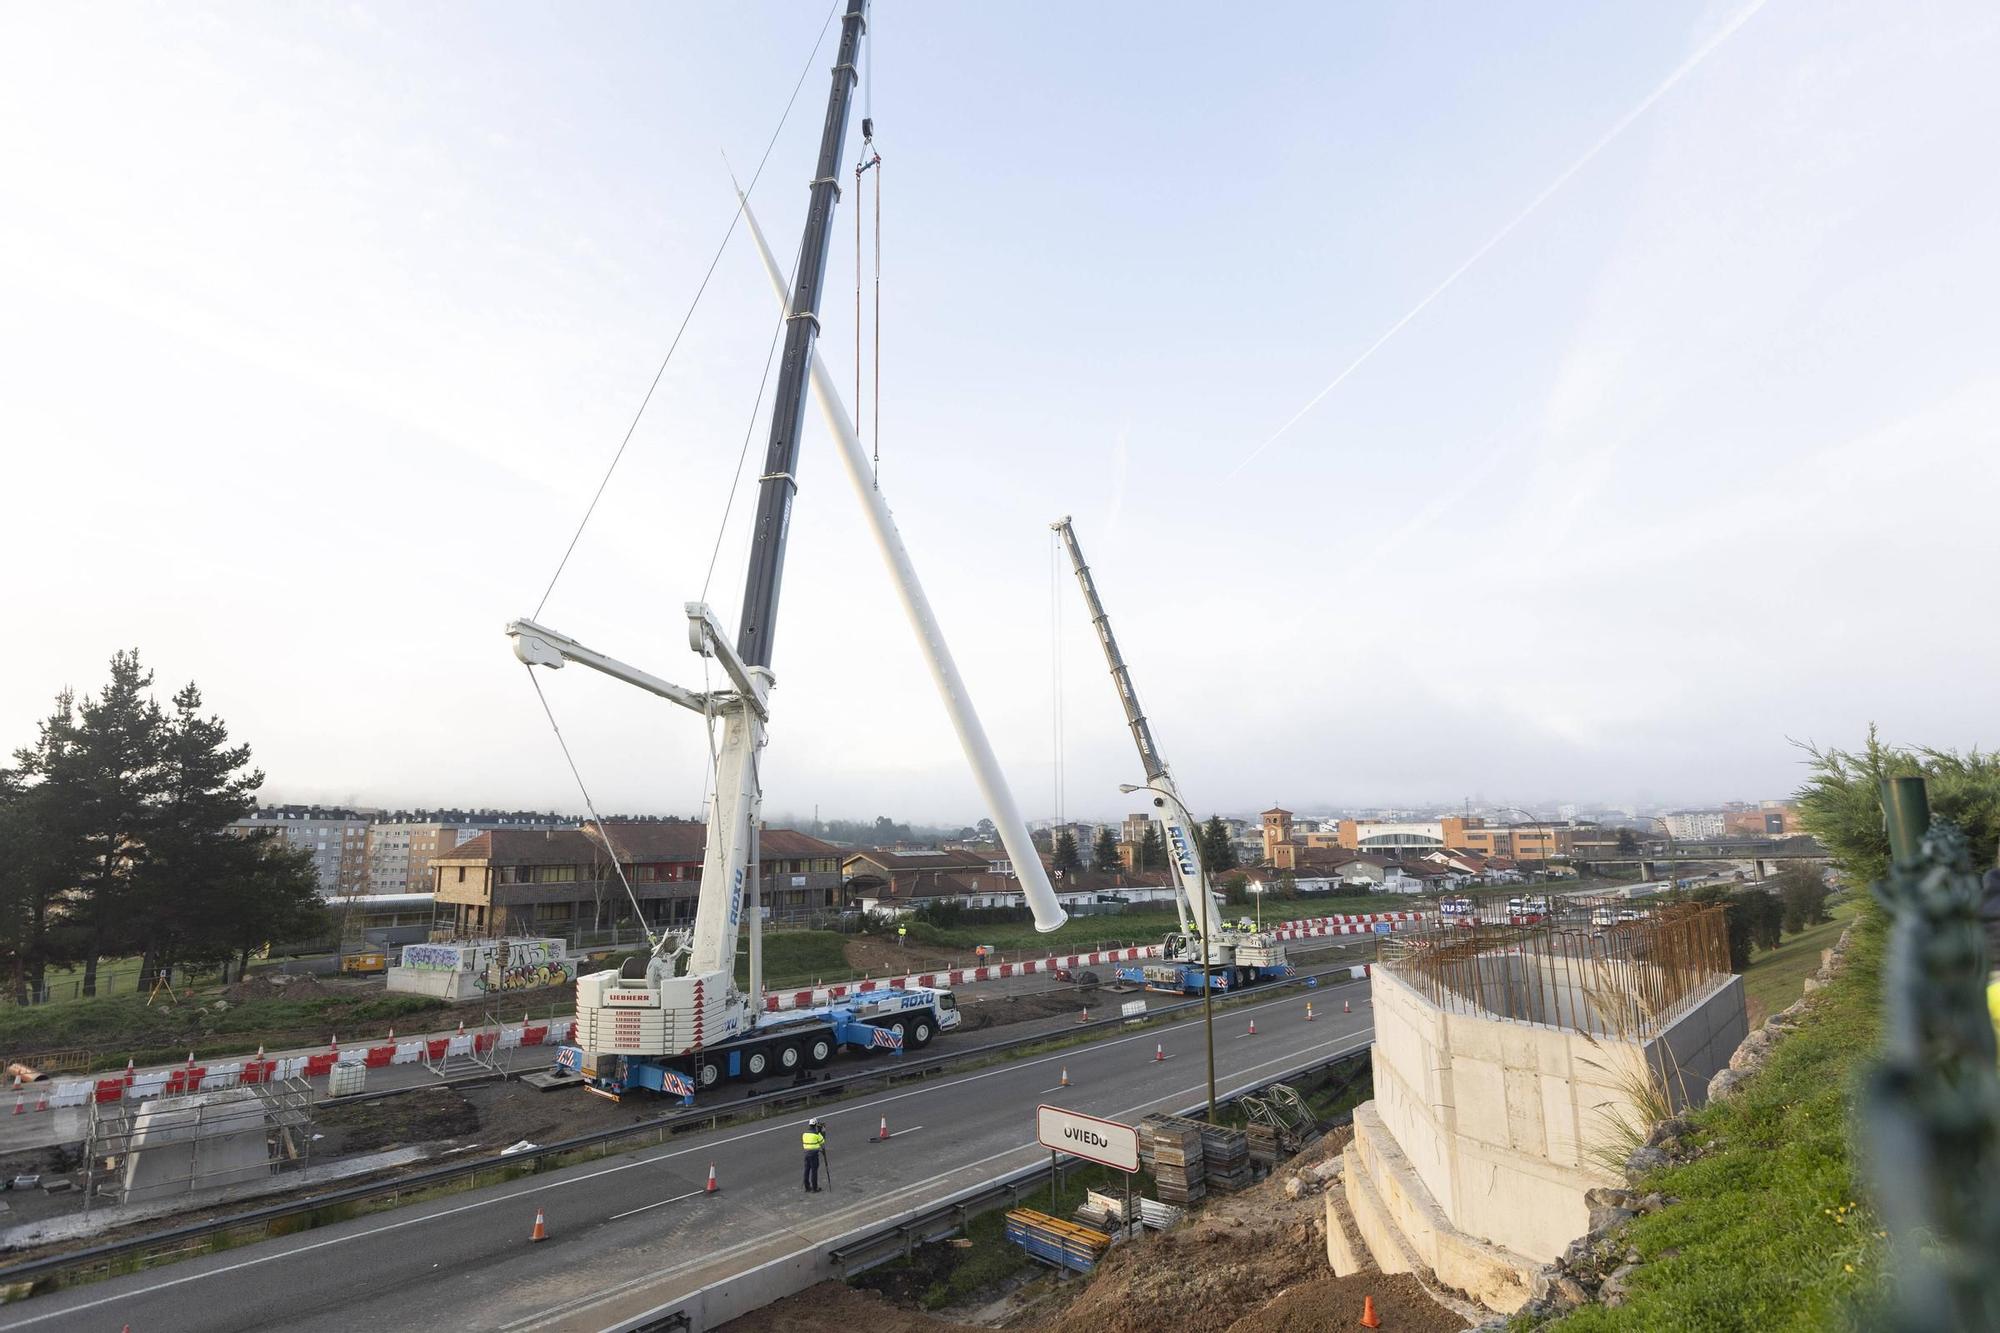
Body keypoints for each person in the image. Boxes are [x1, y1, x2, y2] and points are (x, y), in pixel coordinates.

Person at [802, 1117, 826, 1193]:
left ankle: (807, 1187)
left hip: (806, 1154)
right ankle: (815, 1188)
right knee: (814, 1171)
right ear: (815, 1125)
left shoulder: (804, 1134)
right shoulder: (817, 1134)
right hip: (814, 1155)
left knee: (807, 1170)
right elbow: (822, 1142)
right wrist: (822, 1132)